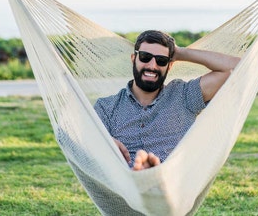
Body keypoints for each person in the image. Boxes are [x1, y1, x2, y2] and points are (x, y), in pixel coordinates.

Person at [94, 30, 240, 171]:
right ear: (133, 59)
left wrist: (180, 53)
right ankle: (143, 168)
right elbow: (84, 142)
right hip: (125, 184)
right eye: (145, 57)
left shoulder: (184, 96)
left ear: (170, 65)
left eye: (161, 60)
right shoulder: (106, 107)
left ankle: (151, 170)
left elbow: (237, 68)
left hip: (171, 183)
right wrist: (103, 143)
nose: (152, 66)